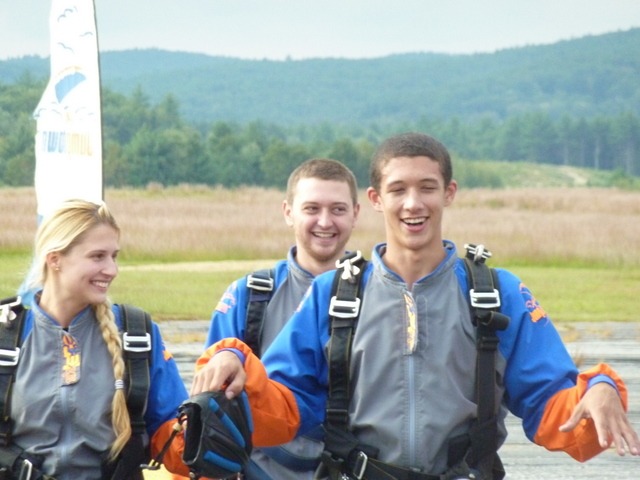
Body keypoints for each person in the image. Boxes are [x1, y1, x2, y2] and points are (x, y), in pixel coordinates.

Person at [190, 132, 640, 479]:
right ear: (375, 199)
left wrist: (598, 389)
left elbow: (550, 402)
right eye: (398, 189)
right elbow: (285, 403)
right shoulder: (334, 295)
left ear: (449, 192)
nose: (412, 203)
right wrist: (234, 361)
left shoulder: (497, 294)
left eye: (427, 187)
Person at [1, 199, 191, 479]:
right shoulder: (6, 336)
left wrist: (208, 431)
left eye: (114, 256)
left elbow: (173, 432)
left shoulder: (137, 335)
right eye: (98, 256)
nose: (112, 270)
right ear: (55, 259)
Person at [202, 157, 360, 479]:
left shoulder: (379, 295)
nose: (325, 221)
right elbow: (210, 404)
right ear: (288, 212)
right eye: (311, 208)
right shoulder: (249, 297)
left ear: (356, 213)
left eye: (338, 209)